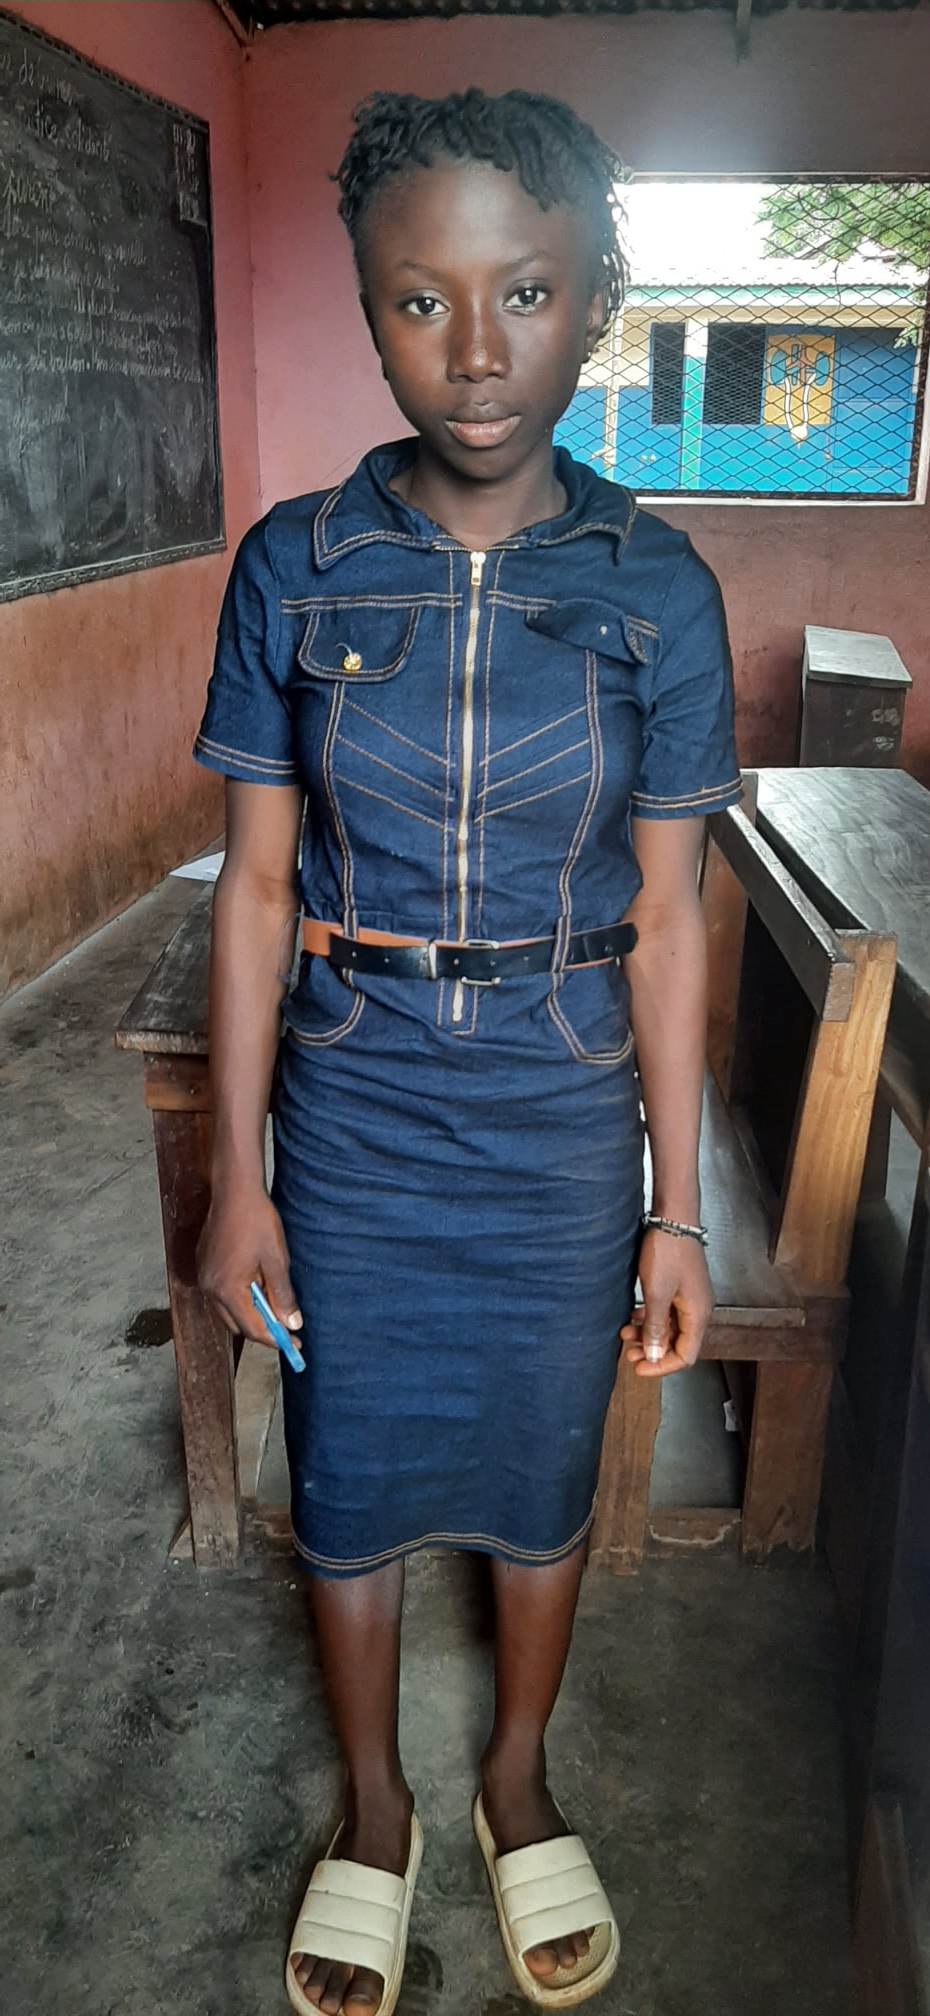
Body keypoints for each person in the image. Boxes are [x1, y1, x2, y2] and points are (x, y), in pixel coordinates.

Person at [194, 87, 741, 2016]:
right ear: (367, 309)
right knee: (343, 1460)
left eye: (524, 292)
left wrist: (678, 1207)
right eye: (419, 300)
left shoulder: (657, 588)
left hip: (559, 1105)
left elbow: (668, 916)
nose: (478, 350)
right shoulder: (297, 565)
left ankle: (514, 1777)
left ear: (595, 301)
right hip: (354, 1098)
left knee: (537, 1453)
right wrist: (240, 1175)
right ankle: (373, 1803)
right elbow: (257, 888)